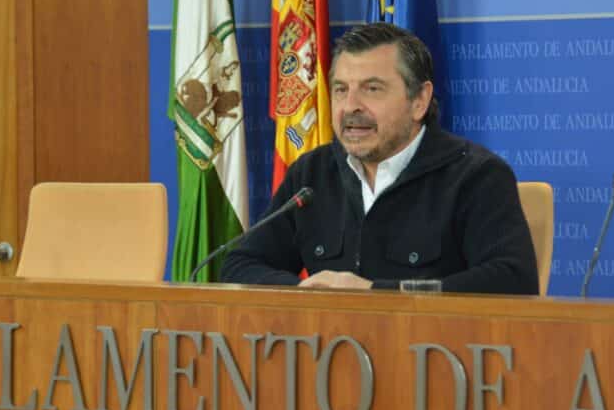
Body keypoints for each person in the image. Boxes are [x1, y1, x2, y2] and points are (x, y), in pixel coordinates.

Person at [222, 22, 538, 294]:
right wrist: (307, 294)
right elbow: (240, 265)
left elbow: (512, 281)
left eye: (372, 89)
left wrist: (377, 294)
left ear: (420, 101)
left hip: (435, 357)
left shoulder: (476, 176)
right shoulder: (312, 174)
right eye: (341, 90)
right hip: (330, 355)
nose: (350, 106)